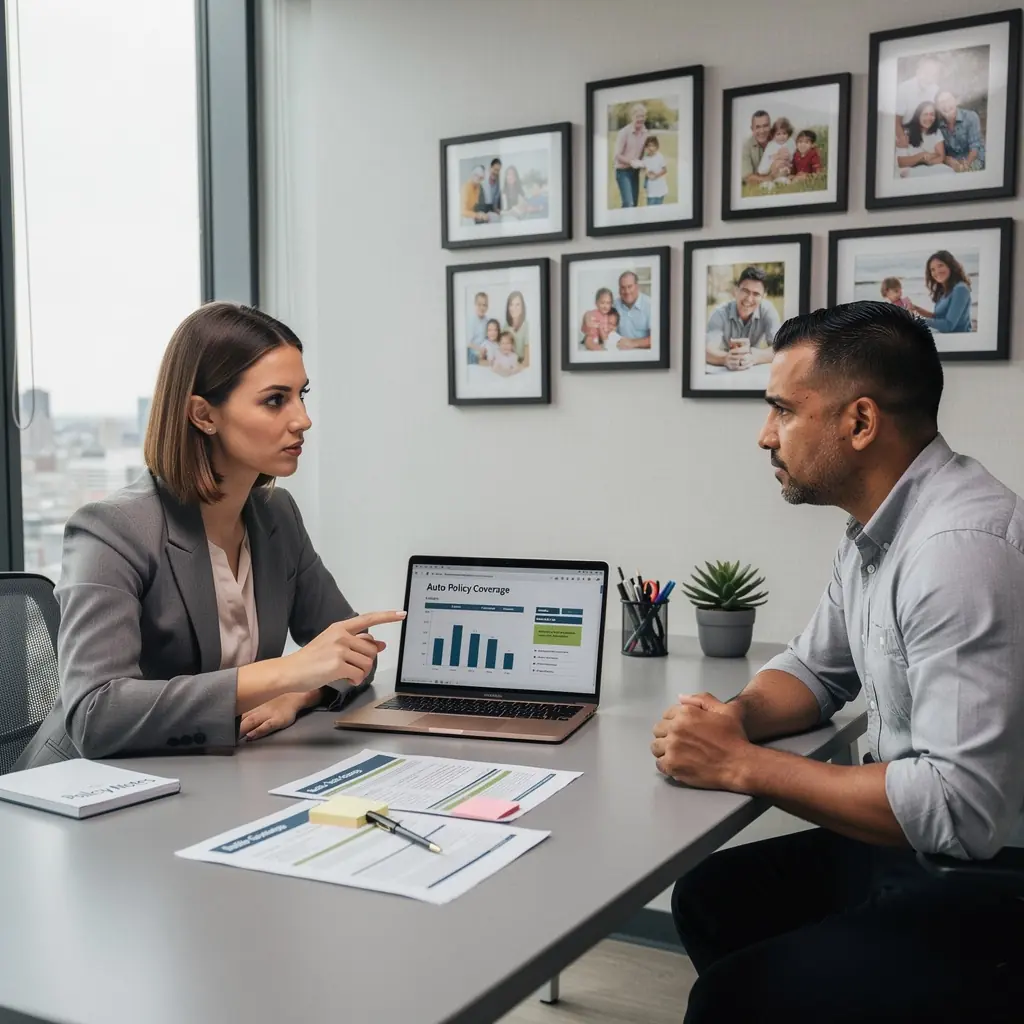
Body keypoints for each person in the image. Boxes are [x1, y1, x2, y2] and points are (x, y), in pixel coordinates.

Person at [656, 301, 1024, 1022]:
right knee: (710, 895)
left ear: (859, 424)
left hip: (992, 877)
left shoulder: (958, 552)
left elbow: (961, 808)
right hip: (919, 852)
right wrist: (730, 719)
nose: (765, 436)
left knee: (731, 1000)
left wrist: (738, 765)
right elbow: (816, 669)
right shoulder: (878, 528)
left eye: (783, 411)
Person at [15, 303, 405, 770]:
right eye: (275, 399)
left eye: (302, 394)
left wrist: (300, 693)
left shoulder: (276, 516)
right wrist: (280, 672)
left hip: (209, 777)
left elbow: (350, 651)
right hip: (83, 791)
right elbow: (96, 715)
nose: (303, 419)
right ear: (203, 414)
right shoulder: (111, 529)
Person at [705, 266, 780, 370]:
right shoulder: (720, 313)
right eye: (745, 291)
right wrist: (725, 358)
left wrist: (754, 356)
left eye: (756, 294)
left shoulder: (768, 310)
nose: (749, 299)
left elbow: (780, 349)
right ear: (736, 291)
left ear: (764, 296)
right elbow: (706, 350)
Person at [912, 250, 973, 333]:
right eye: (932, 269)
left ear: (950, 266)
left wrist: (916, 319)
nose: (937, 271)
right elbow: (938, 317)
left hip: (960, 341)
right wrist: (916, 309)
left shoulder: (960, 289)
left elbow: (948, 325)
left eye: (940, 266)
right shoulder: (944, 290)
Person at [894, 55, 942, 147]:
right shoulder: (904, 88)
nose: (931, 75)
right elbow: (896, 121)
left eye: (935, 73)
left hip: (926, 134)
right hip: (905, 133)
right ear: (918, 70)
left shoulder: (936, 89)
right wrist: (902, 138)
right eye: (928, 70)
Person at [896, 101, 953, 177]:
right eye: (925, 114)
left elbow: (941, 157)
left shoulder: (936, 132)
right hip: (911, 171)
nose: (929, 118)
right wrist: (922, 156)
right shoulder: (906, 132)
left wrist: (927, 162)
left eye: (932, 114)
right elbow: (901, 162)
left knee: (948, 172)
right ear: (918, 116)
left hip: (932, 169)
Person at [935, 90, 985, 172]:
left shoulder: (970, 117)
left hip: (975, 160)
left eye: (948, 100)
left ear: (955, 101)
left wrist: (963, 167)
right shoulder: (939, 126)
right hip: (954, 163)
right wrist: (949, 161)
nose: (946, 105)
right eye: (941, 102)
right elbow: (942, 152)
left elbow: (974, 149)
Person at [613, 102, 648, 208]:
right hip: (622, 172)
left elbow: (644, 152)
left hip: (634, 172)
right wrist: (631, 162)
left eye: (642, 116)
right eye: (638, 116)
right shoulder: (624, 132)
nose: (640, 119)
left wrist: (644, 163)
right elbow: (617, 155)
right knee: (629, 203)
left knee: (635, 204)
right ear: (632, 117)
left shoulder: (645, 133)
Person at [614, 271, 652, 350]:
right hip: (620, 353)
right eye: (623, 287)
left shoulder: (650, 305)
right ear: (619, 289)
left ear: (637, 286)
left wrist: (633, 343)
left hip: (644, 355)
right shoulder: (614, 305)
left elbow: (658, 338)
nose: (627, 291)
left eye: (629, 286)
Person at [757, 118, 796, 188]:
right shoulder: (771, 145)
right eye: (778, 134)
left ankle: (781, 180)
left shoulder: (791, 142)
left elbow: (794, 156)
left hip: (787, 170)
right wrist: (776, 157)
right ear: (773, 135)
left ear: (789, 134)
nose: (782, 137)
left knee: (786, 168)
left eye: (784, 133)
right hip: (773, 171)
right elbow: (764, 165)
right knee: (778, 163)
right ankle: (772, 182)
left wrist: (788, 158)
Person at [740, 109, 774, 186]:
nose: (762, 131)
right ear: (752, 129)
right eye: (758, 127)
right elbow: (747, 177)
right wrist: (769, 179)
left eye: (765, 126)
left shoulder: (779, 141)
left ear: (770, 126)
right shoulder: (746, 147)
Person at [639, 135, 669, 206]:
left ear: (657, 146)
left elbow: (665, 170)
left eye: (653, 146)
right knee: (650, 205)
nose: (651, 148)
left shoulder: (659, 156)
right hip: (651, 187)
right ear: (646, 147)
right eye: (649, 145)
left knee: (659, 206)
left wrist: (656, 175)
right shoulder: (645, 159)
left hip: (660, 185)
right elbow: (644, 171)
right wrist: (647, 174)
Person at [505, 291, 530, 367]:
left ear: (522, 308)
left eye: (517, 305)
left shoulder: (527, 326)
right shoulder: (505, 326)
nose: (514, 308)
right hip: (509, 363)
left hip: (522, 365)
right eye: (511, 305)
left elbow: (527, 362)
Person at [467, 291, 489, 364]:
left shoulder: (487, 321)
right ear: (475, 305)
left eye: (484, 305)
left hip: (483, 349)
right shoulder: (471, 321)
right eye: (479, 305)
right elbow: (468, 343)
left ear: (487, 307)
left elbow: (487, 338)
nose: (482, 307)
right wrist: (479, 349)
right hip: (473, 349)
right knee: (470, 354)